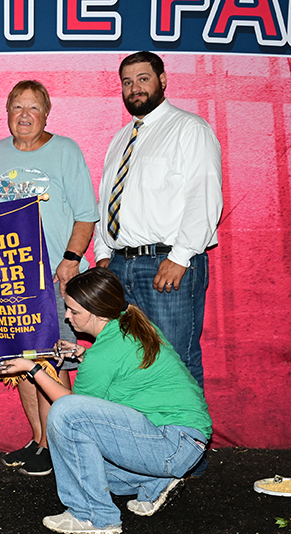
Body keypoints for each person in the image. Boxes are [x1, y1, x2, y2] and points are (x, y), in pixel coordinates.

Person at [0, 268, 211, 534]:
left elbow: (70, 409)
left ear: (98, 313)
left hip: (171, 443)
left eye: (74, 311)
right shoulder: (127, 324)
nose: (67, 315)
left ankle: (93, 516)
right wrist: (83, 355)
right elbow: (118, 375)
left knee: (65, 415)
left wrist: (33, 370)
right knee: (87, 470)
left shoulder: (105, 353)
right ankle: (157, 481)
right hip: (182, 443)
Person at [0, 79, 98, 477]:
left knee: (53, 363)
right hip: (9, 280)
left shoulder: (65, 150)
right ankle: (39, 440)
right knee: (24, 364)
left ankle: (61, 446)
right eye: (17, 107)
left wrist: (71, 259)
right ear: (7, 112)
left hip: (54, 277)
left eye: (33, 107)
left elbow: (86, 214)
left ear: (46, 112)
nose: (24, 115)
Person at [94, 51, 223, 389]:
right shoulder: (121, 139)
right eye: (127, 82)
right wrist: (104, 254)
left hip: (166, 263)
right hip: (122, 267)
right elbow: (106, 200)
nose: (134, 88)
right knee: (131, 360)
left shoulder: (189, 128)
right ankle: (145, 439)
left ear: (163, 80)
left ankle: (187, 439)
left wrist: (180, 258)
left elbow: (204, 195)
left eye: (143, 78)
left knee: (174, 359)